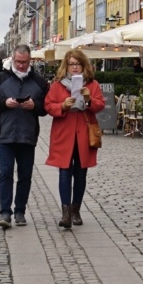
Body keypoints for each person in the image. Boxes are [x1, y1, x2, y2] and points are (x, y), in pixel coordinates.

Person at [0, 45, 49, 228]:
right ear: (13, 59)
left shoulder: (39, 81)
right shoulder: (1, 78)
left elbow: (46, 108)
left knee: (25, 175)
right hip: (5, 133)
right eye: (18, 62)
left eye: (25, 62)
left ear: (30, 61)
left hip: (27, 134)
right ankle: (5, 212)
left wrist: (34, 106)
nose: (21, 65)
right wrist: (4, 102)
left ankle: (20, 211)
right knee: (5, 173)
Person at [44, 48, 105, 230]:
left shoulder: (92, 85)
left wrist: (88, 100)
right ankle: (66, 213)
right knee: (64, 171)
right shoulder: (57, 85)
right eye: (71, 64)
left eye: (77, 64)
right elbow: (48, 105)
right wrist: (62, 105)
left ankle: (76, 208)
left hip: (84, 133)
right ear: (66, 66)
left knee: (80, 172)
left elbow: (100, 104)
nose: (75, 68)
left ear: (83, 65)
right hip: (64, 132)